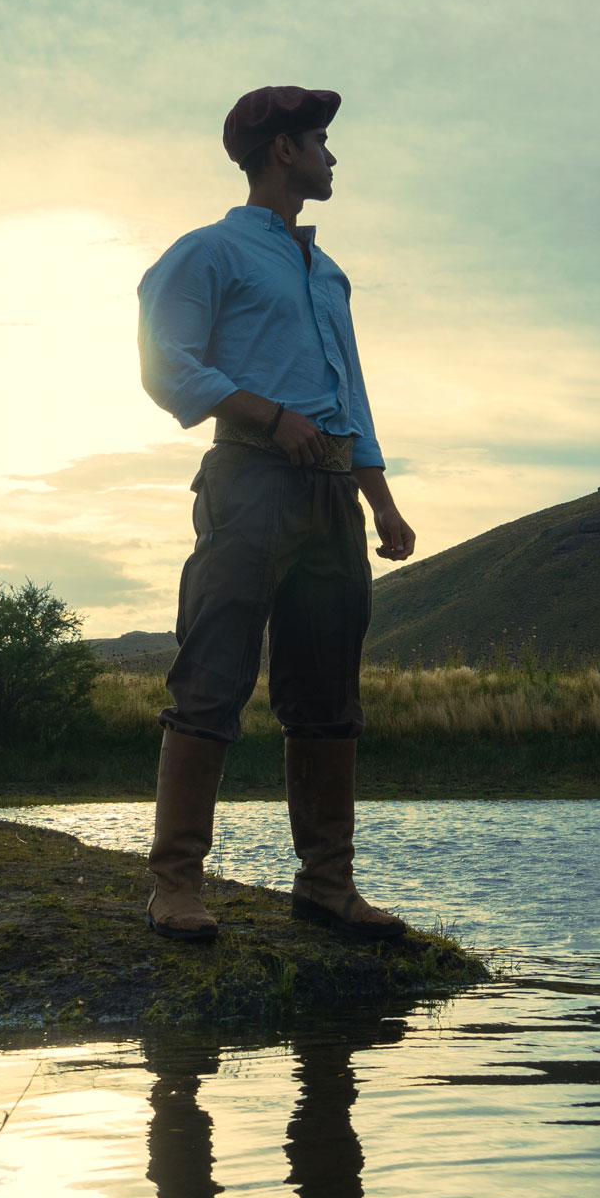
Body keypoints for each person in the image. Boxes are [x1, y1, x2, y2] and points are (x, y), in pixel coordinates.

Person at [135, 85, 417, 943]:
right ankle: (175, 885)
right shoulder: (208, 253)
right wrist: (264, 413)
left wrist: (382, 501)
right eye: (323, 143)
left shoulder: (327, 275)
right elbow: (163, 364)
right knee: (213, 676)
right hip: (250, 482)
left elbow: (350, 397)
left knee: (328, 696)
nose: (334, 158)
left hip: (333, 496)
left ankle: (327, 886)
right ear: (284, 151)